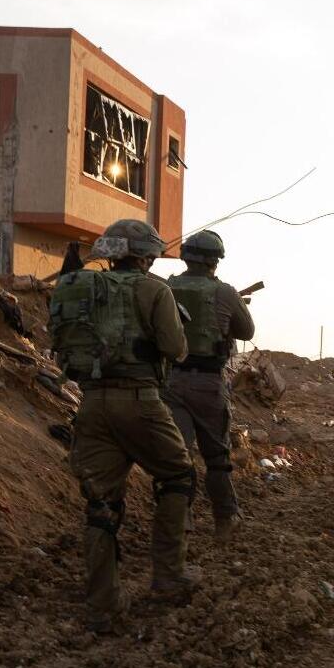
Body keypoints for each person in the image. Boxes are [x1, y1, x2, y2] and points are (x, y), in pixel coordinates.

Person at [49, 219, 196, 634]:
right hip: (140, 401)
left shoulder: (83, 287)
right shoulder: (154, 289)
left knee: (101, 503)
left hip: (92, 404)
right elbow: (176, 349)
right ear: (146, 255)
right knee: (178, 477)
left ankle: (102, 604)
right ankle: (168, 576)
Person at [164, 230, 255, 542]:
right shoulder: (224, 292)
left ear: (186, 256)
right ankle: (226, 518)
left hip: (172, 380)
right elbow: (246, 330)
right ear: (215, 261)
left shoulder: (166, 287)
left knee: (178, 455)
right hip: (208, 383)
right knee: (217, 458)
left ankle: (182, 519)